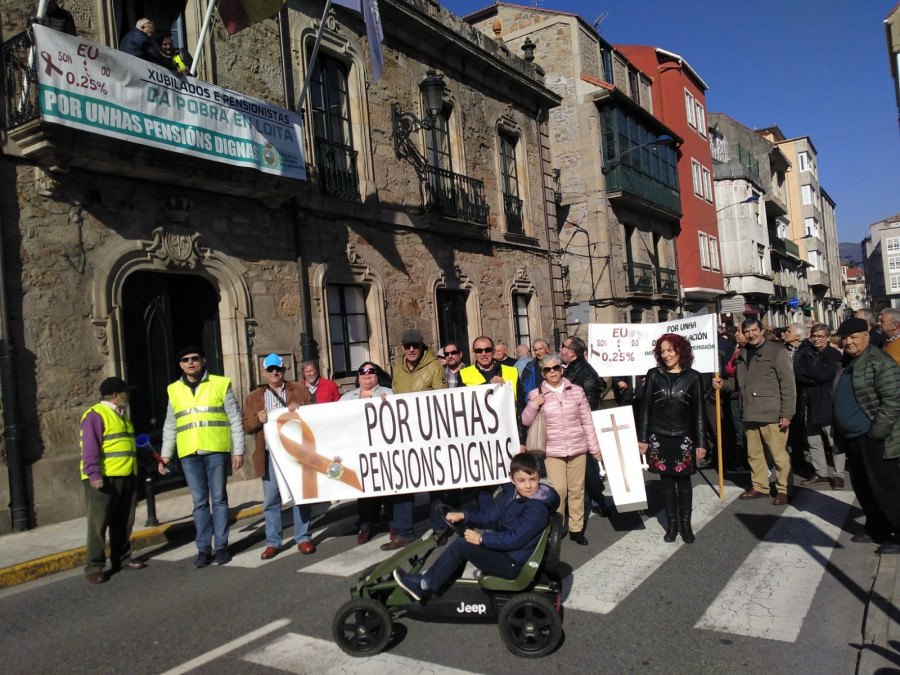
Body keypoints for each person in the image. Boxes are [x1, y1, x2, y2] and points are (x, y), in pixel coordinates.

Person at [392, 453, 559, 601]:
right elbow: (491, 517)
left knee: (462, 545)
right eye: (521, 480)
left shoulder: (537, 508)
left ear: (539, 476)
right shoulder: (514, 495)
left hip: (514, 563)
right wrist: (464, 515)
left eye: (533, 479)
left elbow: (515, 539)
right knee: (464, 541)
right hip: (509, 554)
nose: (528, 486)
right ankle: (439, 583)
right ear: (512, 480)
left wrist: (481, 539)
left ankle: (423, 585)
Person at [160, 347, 245, 567]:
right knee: (199, 504)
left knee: (218, 500)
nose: (190, 363)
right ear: (180, 365)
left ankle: (222, 547)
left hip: (215, 451)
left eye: (194, 359)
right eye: (185, 360)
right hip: (188, 453)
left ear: (203, 361)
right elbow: (170, 425)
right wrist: (165, 456)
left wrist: (238, 450)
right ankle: (203, 549)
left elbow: (235, 419)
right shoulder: (174, 390)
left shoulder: (220, 384)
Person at [832, 318, 900, 554]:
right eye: (845, 338)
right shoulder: (848, 361)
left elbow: (892, 401)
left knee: (886, 488)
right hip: (853, 437)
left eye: (853, 337)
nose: (848, 342)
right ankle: (877, 527)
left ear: (867, 336)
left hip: (874, 438)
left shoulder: (879, 362)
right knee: (863, 487)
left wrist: (876, 433)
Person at [712, 319, 796, 505]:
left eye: (754, 330)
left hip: (772, 412)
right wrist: (723, 384)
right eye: (747, 331)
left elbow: (788, 385)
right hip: (749, 411)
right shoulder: (743, 353)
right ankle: (760, 485)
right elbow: (739, 383)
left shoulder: (777, 351)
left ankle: (784, 489)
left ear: (762, 330)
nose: (751, 334)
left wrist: (787, 413)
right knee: (754, 454)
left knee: (778, 454)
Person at [522, 352, 603, 545]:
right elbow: (525, 420)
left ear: (561, 369)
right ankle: (558, 526)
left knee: (577, 490)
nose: (552, 372)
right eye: (547, 369)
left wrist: (594, 448)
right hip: (552, 450)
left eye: (556, 368)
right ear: (542, 373)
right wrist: (534, 405)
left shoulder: (576, 391)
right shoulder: (536, 394)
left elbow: (586, 421)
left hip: (577, 447)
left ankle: (576, 529)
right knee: (558, 490)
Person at [242, 354, 315, 559]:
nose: (275, 373)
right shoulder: (254, 397)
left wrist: (300, 410)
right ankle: (273, 541)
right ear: (264, 372)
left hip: (294, 454)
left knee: (300, 496)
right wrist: (258, 419)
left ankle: (303, 537)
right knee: (271, 501)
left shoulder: (298, 390)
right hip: (269, 456)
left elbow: (314, 413)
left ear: (284, 370)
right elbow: (246, 425)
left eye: (279, 369)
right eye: (271, 369)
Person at [637, 335, 708, 543]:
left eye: (670, 350)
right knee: (666, 481)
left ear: (680, 351)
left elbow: (700, 414)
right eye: (662, 351)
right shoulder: (654, 375)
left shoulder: (694, 377)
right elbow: (645, 409)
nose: (666, 355)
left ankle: (685, 525)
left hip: (683, 436)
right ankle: (672, 525)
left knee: (684, 481)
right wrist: (642, 438)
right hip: (658, 437)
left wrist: (701, 442)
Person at [382, 328, 446, 550]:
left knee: (435, 483)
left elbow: (442, 399)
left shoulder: (435, 368)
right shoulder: (397, 369)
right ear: (401, 347)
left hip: (429, 434)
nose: (411, 349)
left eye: (415, 346)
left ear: (422, 347)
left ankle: (439, 528)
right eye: (407, 346)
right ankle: (403, 532)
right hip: (404, 435)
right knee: (403, 482)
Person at [80, 376, 146, 584]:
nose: (129, 395)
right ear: (116, 396)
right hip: (104, 478)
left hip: (126, 475)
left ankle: (122, 558)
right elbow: (89, 447)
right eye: (126, 392)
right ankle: (94, 566)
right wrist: (94, 474)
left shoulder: (122, 415)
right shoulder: (95, 415)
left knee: (124, 521)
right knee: (98, 523)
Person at [340, 361, 393, 544]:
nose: (366, 374)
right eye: (362, 371)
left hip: (383, 449)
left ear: (377, 375)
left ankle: (393, 524)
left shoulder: (390, 394)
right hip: (359, 451)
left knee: (388, 488)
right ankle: (366, 525)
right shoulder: (346, 398)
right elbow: (334, 421)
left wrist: (390, 403)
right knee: (365, 491)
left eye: (371, 371)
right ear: (358, 376)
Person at [560, 335, 607, 517]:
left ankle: (598, 500)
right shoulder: (568, 369)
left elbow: (591, 401)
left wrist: (568, 408)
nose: (560, 348)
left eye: (563, 346)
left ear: (571, 352)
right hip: (567, 427)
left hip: (580, 428)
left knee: (589, 468)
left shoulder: (586, 372)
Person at [795, 325, 844, 490]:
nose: (817, 339)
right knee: (813, 440)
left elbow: (827, 375)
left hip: (827, 401)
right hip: (808, 401)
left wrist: (809, 375)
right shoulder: (804, 352)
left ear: (828, 337)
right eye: (814, 336)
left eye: (821, 336)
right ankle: (821, 472)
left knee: (833, 441)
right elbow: (798, 374)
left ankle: (838, 475)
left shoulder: (833, 354)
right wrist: (813, 376)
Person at [119, 18, 187, 73]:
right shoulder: (139, 35)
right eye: (151, 30)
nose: (152, 33)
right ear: (143, 27)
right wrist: (174, 68)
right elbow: (153, 53)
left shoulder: (132, 35)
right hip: (136, 67)